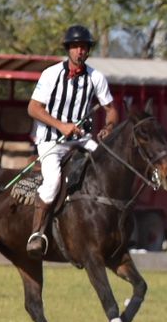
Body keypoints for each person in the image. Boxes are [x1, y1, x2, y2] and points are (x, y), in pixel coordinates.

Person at [24, 24, 119, 257]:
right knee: (54, 180)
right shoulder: (51, 74)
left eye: (84, 47)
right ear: (68, 49)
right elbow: (33, 108)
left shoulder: (96, 77)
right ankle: (37, 234)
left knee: (108, 166)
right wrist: (61, 125)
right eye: (76, 47)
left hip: (82, 139)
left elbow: (111, 109)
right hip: (50, 140)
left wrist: (109, 126)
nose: (80, 51)